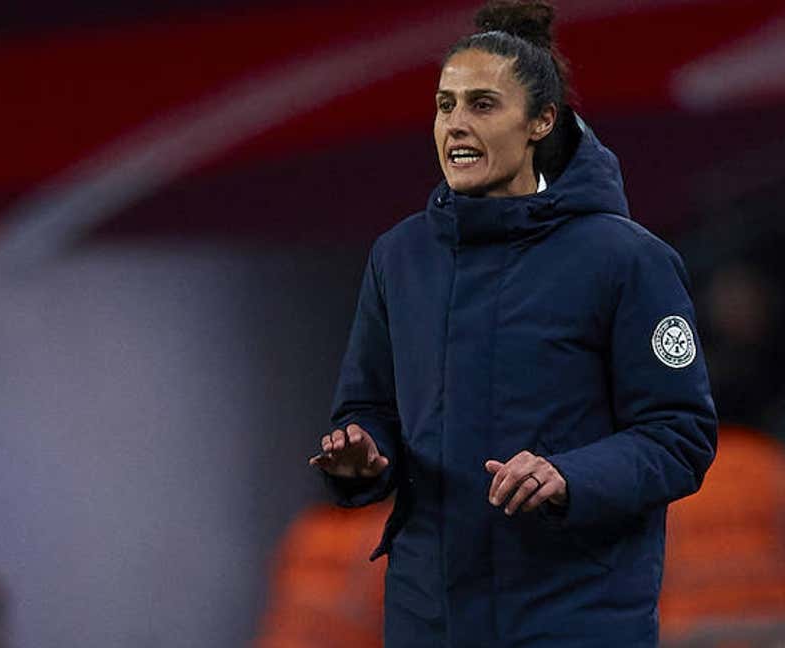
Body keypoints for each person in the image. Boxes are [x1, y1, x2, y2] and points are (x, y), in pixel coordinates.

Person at [306, 2, 716, 646]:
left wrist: (569, 476)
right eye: (445, 105)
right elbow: (367, 406)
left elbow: (679, 437)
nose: (456, 125)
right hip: (429, 618)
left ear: (541, 121)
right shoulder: (399, 256)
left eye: (482, 105)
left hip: (574, 618)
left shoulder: (627, 260)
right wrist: (361, 453)